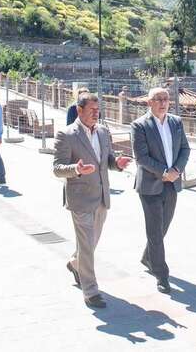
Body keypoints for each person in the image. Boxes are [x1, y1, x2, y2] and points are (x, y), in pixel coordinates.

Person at [53, 93, 131, 309]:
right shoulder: (66, 134)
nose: (97, 114)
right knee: (87, 245)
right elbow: (57, 169)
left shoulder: (104, 132)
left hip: (102, 197)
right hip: (80, 198)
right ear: (79, 110)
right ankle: (91, 291)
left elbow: (107, 160)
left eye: (98, 110)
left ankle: (75, 264)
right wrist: (75, 169)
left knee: (91, 243)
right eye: (92, 110)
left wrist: (118, 163)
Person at [130, 87, 190, 294]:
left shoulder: (176, 122)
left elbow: (185, 149)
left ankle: (148, 256)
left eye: (165, 98)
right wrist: (164, 172)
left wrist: (176, 170)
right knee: (155, 231)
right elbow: (141, 158)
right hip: (150, 185)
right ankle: (161, 275)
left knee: (164, 227)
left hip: (171, 183)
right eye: (158, 99)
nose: (163, 102)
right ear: (149, 103)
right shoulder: (139, 126)